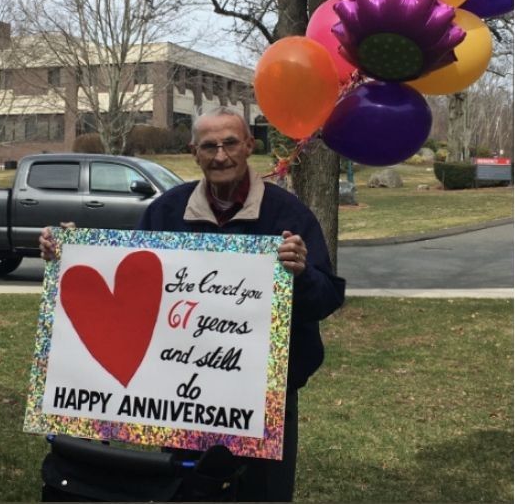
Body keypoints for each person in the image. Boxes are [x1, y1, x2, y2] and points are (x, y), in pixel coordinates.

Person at [40, 107, 345, 502]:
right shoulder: (166, 211)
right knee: (186, 492)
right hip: (182, 394)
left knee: (261, 495)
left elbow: (326, 299)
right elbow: (131, 284)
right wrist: (69, 255)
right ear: (194, 153)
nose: (221, 155)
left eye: (230, 143)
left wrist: (301, 275)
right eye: (209, 146)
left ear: (249, 146)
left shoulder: (287, 215)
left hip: (262, 396)